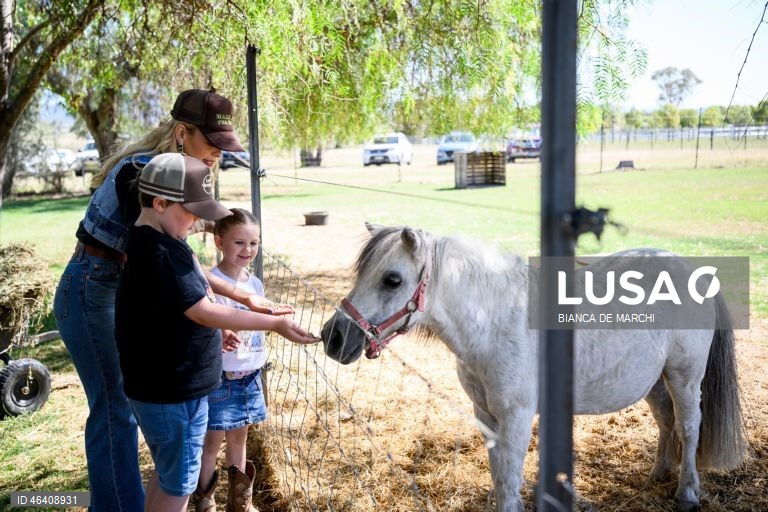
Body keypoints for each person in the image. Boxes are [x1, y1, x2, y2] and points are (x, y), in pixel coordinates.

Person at [53, 89, 265, 512]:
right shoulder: (146, 175)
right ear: (183, 133)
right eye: (212, 146)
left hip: (112, 288)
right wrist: (223, 303)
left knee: (124, 408)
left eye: (224, 149)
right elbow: (166, 262)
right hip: (93, 289)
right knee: (115, 410)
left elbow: (176, 265)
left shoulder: (172, 173)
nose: (216, 157)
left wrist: (226, 301)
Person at [115, 153, 318, 512]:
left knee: (167, 474)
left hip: (161, 389)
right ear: (160, 203)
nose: (198, 221)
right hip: (174, 394)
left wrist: (242, 302)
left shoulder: (149, 238)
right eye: (192, 212)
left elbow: (179, 303)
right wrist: (274, 323)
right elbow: (202, 311)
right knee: (180, 483)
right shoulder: (163, 251)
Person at [192, 208, 275, 512]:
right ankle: (205, 502)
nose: (247, 250)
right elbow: (202, 320)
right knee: (211, 444)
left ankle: (240, 503)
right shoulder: (210, 282)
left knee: (239, 439)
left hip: (250, 374)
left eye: (253, 243)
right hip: (220, 377)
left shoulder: (254, 285)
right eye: (239, 243)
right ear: (219, 243)